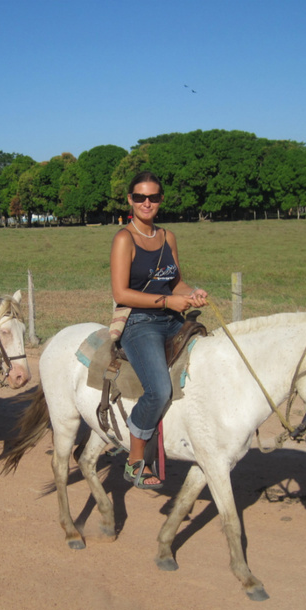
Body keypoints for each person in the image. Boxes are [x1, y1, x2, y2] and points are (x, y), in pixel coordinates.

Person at [110, 171, 208, 488]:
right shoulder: (124, 239)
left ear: (161, 200)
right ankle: (135, 459)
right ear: (130, 200)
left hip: (172, 316)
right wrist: (168, 302)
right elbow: (120, 294)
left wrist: (192, 294)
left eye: (152, 197)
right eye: (140, 197)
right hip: (140, 322)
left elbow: (176, 281)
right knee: (159, 390)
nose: (146, 202)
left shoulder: (168, 237)